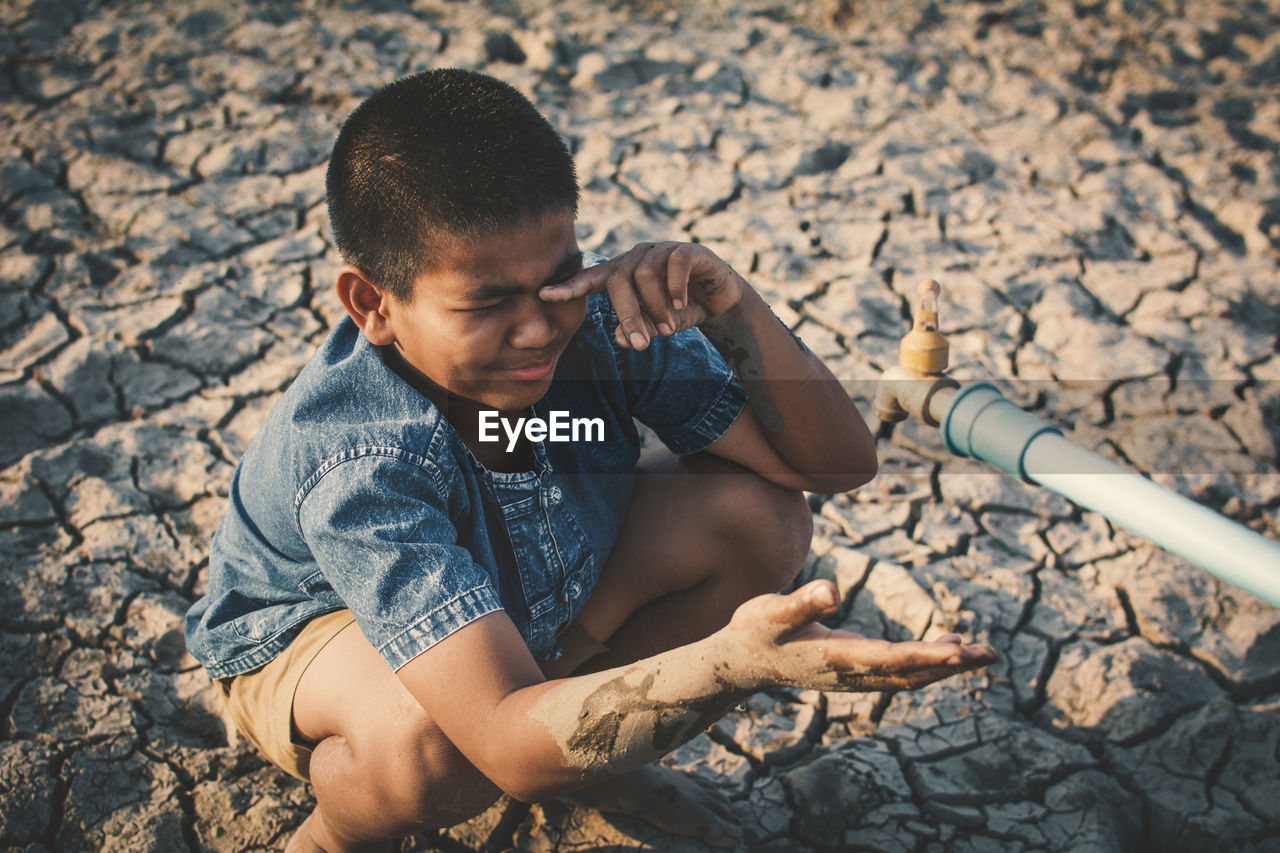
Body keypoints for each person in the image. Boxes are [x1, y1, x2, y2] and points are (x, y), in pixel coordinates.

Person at [184, 68, 995, 852]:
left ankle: (583, 764)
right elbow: (498, 737)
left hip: (534, 589)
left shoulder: (599, 320)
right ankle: (333, 837)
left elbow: (833, 466)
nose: (538, 327)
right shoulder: (361, 461)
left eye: (559, 278)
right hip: (320, 633)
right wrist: (729, 663)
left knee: (759, 515)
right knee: (431, 747)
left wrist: (735, 307)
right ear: (373, 305)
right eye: (489, 302)